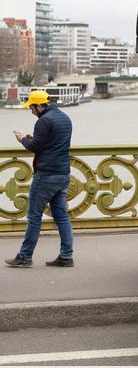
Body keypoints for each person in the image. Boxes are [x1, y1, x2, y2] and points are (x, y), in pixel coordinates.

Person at [5, 90, 74, 268]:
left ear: (40, 105)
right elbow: (52, 142)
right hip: (63, 173)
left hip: (46, 175)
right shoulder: (64, 118)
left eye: (32, 107)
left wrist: (22, 139)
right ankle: (66, 256)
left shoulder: (43, 121)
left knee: (34, 216)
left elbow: (35, 147)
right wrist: (33, 138)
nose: (31, 111)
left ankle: (25, 256)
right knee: (61, 215)